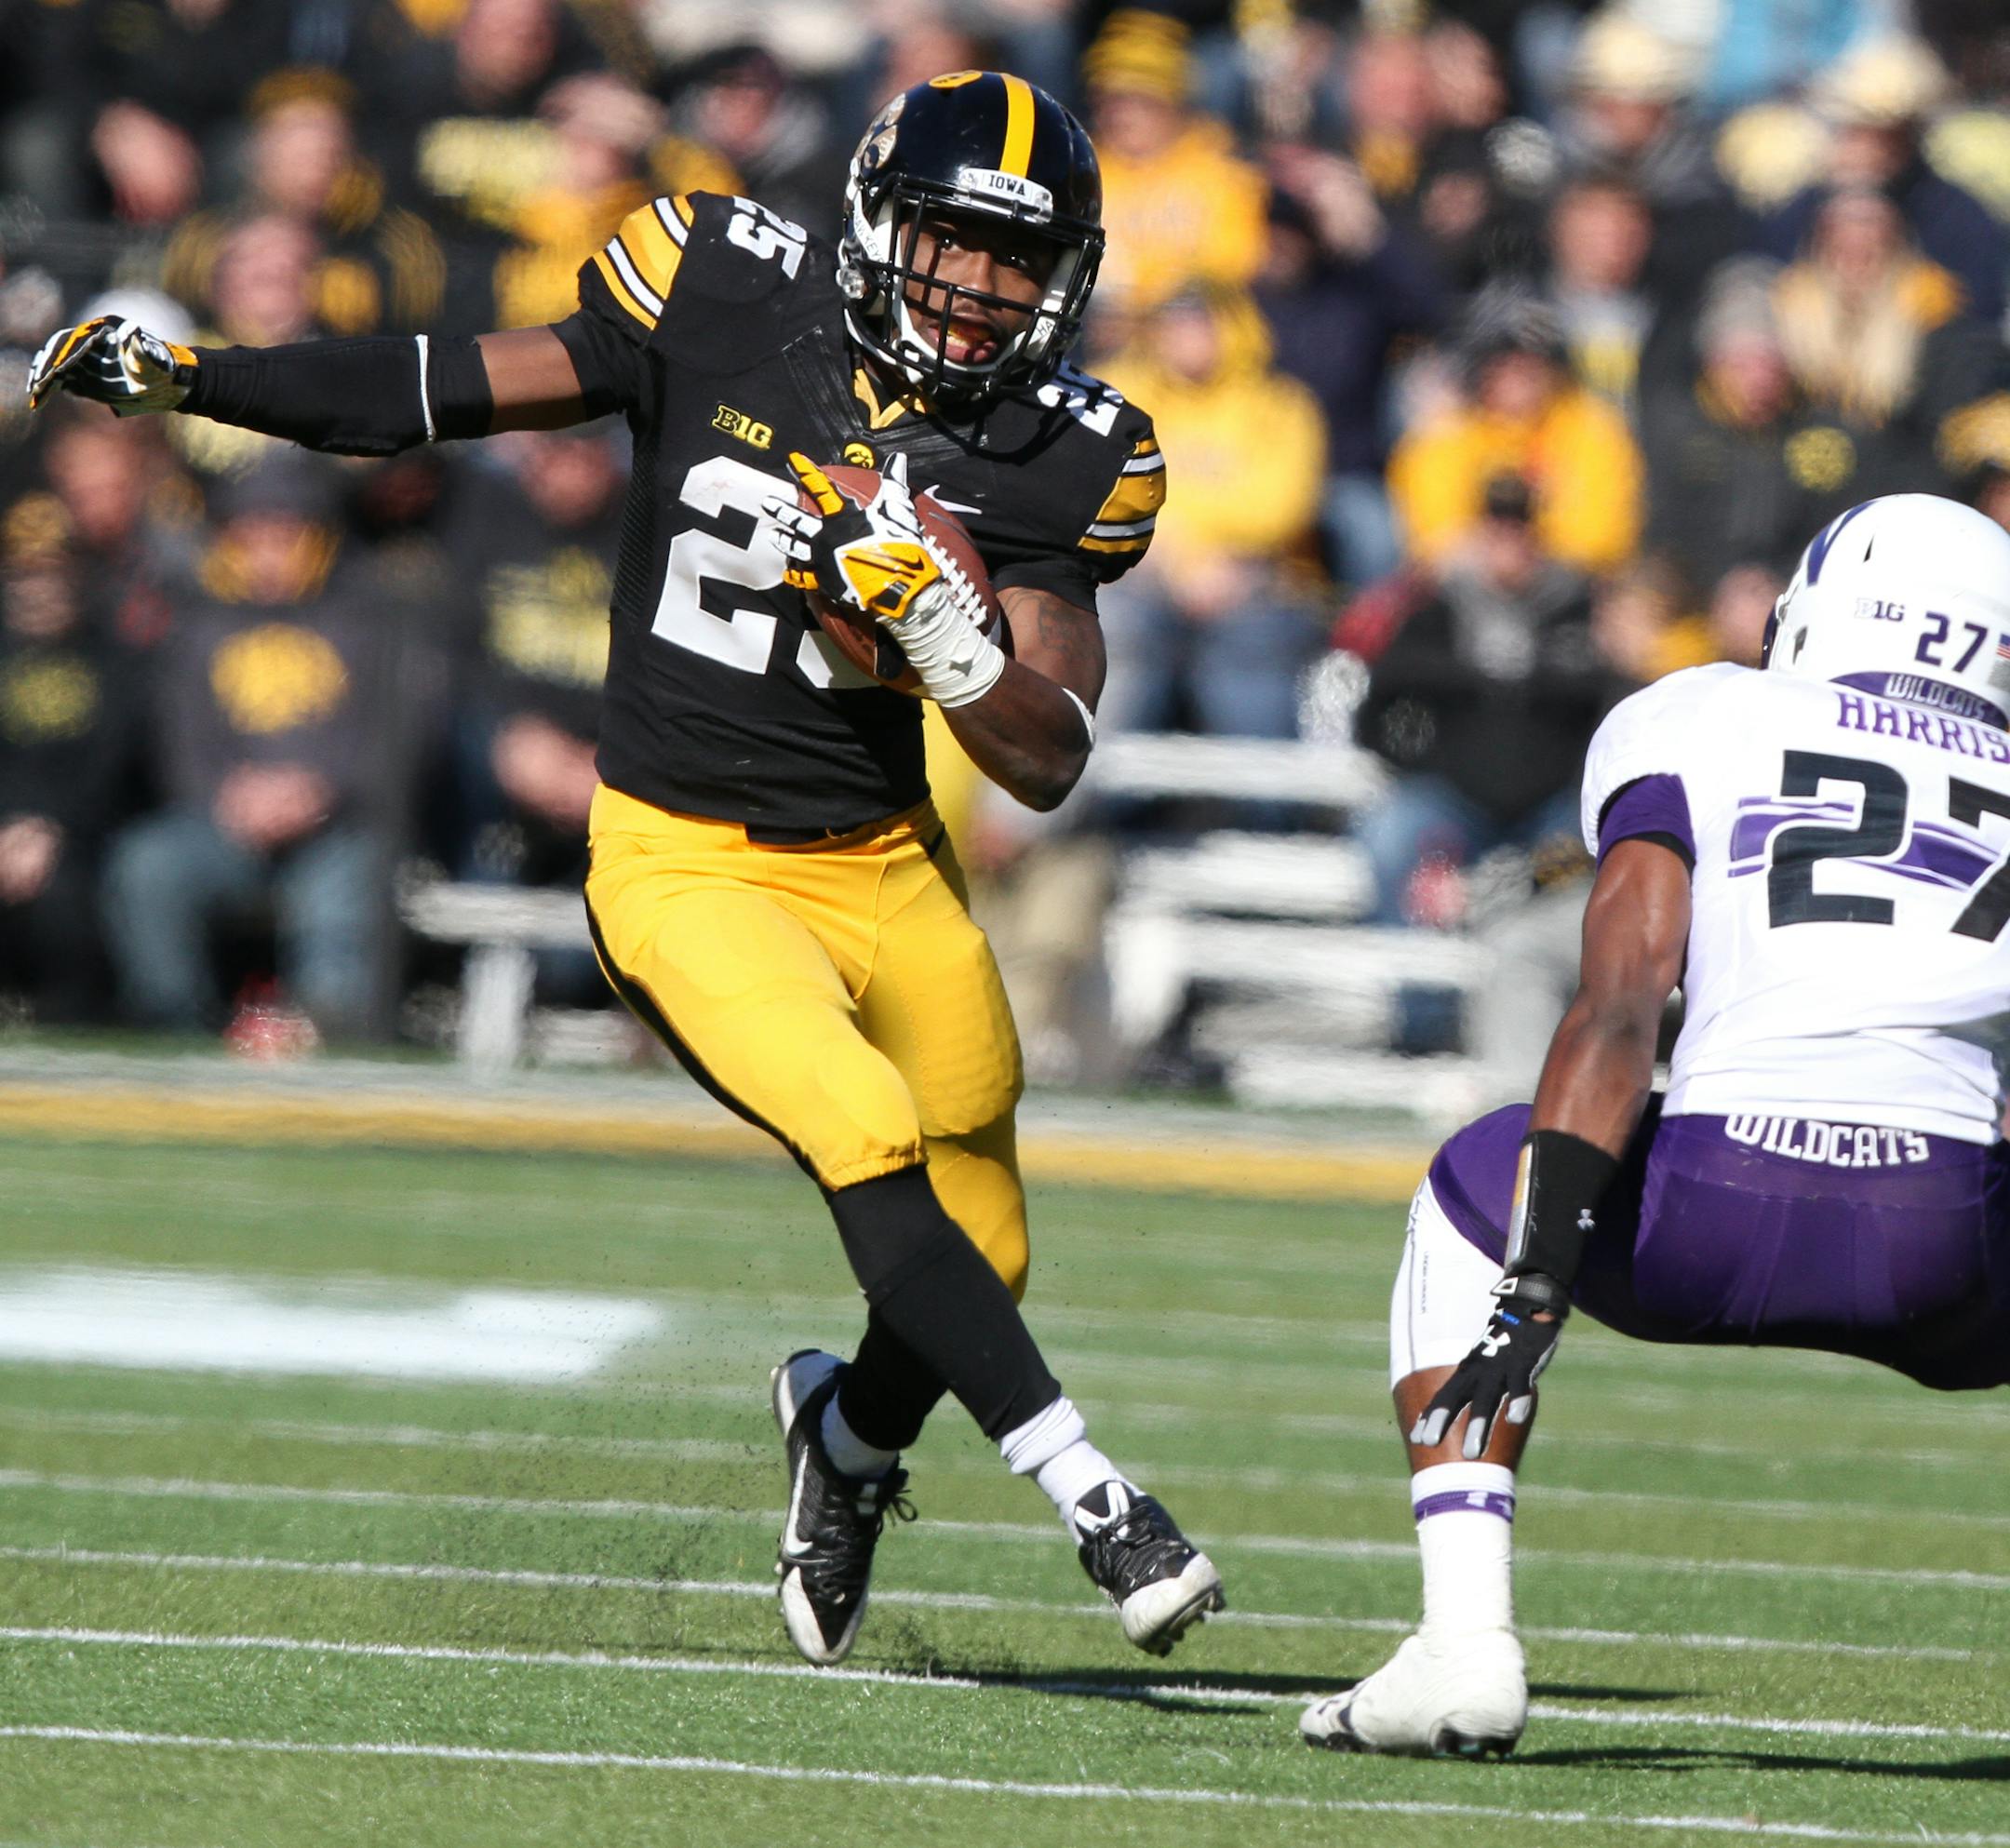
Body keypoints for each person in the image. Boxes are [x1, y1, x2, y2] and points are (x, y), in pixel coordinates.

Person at [28, 70, 1224, 1666]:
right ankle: (1094, 1497)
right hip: (683, 857)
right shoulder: (721, 286)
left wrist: (948, 637)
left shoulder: (1061, 448)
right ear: (877, 221)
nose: (977, 289)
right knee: (864, 1132)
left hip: (882, 864)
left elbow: (1051, 748)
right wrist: (204, 378)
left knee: (986, 1248)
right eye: (949, 243)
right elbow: (438, 384)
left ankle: (848, 1443)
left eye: (1015, 261)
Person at [1301, 493, 2010, 1758]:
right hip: (1944, 1240)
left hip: (1713, 1208)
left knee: (1473, 1176)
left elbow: (1621, 1009)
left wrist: (1533, 1280)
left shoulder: (1702, 714)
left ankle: (1467, 1638)